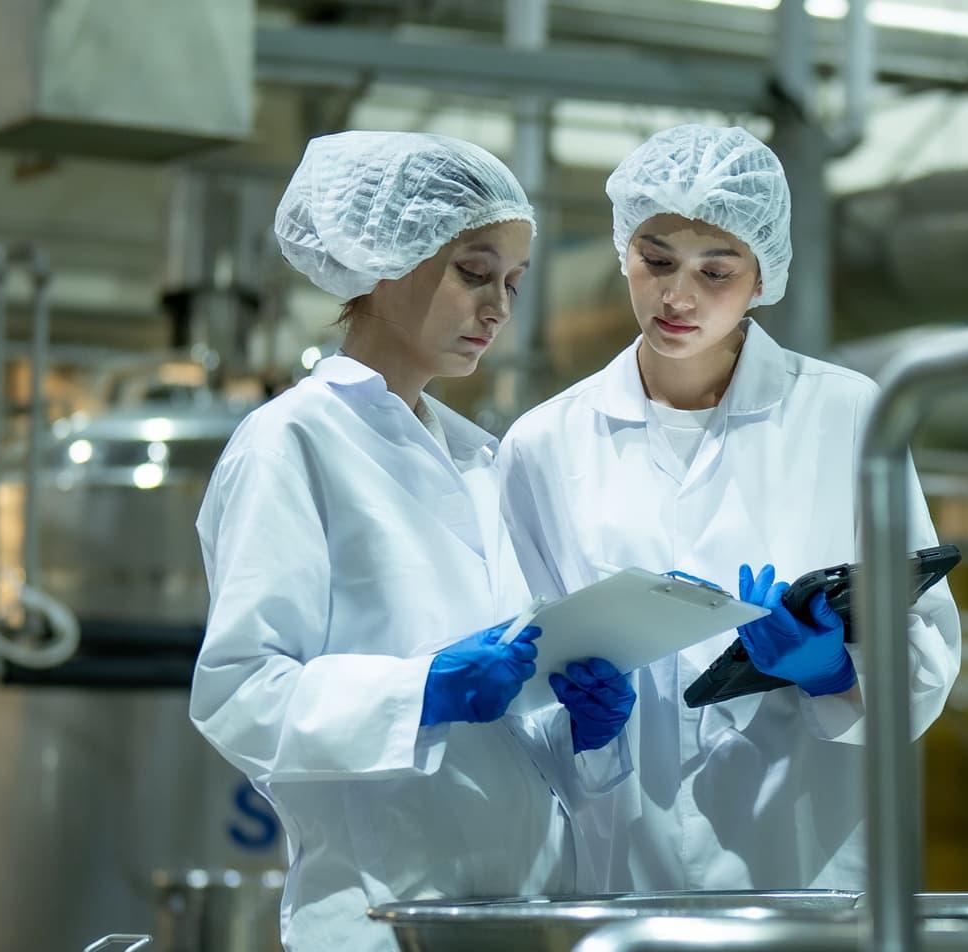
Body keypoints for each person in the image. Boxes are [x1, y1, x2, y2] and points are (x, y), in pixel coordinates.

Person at [190, 131, 635, 951]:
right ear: (382, 254)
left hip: (521, 914)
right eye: (474, 271)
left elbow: (507, 723)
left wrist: (582, 731)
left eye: (512, 282)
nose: (498, 306)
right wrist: (418, 691)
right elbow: (240, 694)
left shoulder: (480, 459)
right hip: (377, 916)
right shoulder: (292, 443)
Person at [499, 124, 961, 891]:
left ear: (761, 279)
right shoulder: (543, 445)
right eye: (655, 261)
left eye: (716, 272)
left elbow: (927, 648)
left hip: (805, 862)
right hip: (622, 863)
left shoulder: (846, 416)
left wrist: (831, 672)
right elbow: (519, 674)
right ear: (623, 253)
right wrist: (579, 724)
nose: (677, 297)